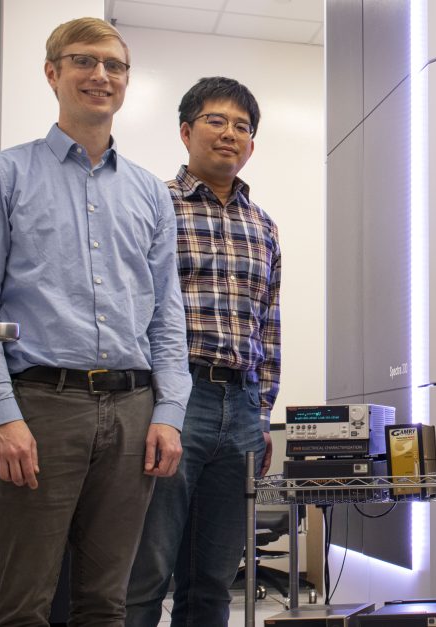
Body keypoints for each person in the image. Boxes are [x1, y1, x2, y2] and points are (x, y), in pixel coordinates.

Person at [0, 17, 191, 626]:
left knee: (107, 603)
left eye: (114, 66)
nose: (101, 75)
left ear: (125, 81)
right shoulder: (2, 176)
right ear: (53, 74)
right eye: (83, 61)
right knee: (24, 602)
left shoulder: (152, 195)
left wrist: (169, 414)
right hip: (39, 407)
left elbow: (166, 318)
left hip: (132, 411)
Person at [126, 77, 281, 627]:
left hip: (239, 408)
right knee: (147, 572)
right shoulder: (154, 205)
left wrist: (261, 413)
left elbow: (270, 327)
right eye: (217, 121)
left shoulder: (263, 226)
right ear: (187, 131)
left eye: (242, 127)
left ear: (252, 145)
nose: (230, 134)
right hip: (171, 401)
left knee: (215, 578)